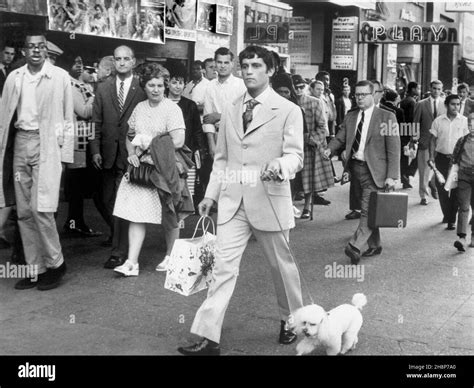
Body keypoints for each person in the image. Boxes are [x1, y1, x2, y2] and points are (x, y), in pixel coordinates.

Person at [178, 45, 304, 355]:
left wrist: (281, 166)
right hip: (233, 203)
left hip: (270, 201)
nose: (248, 71)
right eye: (244, 65)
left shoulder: (288, 109)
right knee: (221, 269)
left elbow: (295, 155)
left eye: (256, 65)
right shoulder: (232, 107)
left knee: (281, 268)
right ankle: (209, 337)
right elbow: (221, 158)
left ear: (271, 70)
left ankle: (292, 320)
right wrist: (209, 195)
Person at [0, 31, 74, 290]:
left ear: (46, 51)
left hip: (47, 144)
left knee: (42, 208)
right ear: (24, 52)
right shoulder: (14, 78)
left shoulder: (60, 77)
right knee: (23, 212)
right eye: (30, 47)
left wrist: (65, 156)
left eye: (40, 47)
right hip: (21, 142)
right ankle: (35, 268)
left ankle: (56, 263)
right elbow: (4, 116)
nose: (35, 51)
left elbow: (68, 119)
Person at [112, 63, 190, 276]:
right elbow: (129, 134)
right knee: (136, 214)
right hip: (142, 168)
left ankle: (171, 256)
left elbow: (179, 140)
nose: (156, 89)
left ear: (165, 86)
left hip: (165, 166)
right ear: (144, 86)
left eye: (159, 85)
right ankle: (132, 262)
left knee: (169, 214)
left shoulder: (172, 109)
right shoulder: (140, 108)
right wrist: (130, 153)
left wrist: (149, 143)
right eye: (150, 85)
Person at [324, 80, 400, 264]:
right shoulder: (351, 116)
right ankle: (375, 245)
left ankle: (354, 246)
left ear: (373, 95)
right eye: (356, 95)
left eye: (363, 94)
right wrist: (329, 149)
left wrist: (392, 176)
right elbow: (341, 136)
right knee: (371, 208)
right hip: (356, 168)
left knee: (366, 210)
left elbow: (394, 149)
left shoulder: (386, 117)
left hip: (376, 171)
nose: (358, 98)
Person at [90, 45, 147, 268]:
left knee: (123, 204)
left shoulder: (141, 88)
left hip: (131, 154)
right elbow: (96, 121)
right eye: (117, 59)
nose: (121, 63)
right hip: (106, 154)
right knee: (106, 200)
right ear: (113, 62)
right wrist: (94, 150)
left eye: (126, 59)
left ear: (133, 62)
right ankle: (121, 238)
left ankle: (119, 251)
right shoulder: (103, 88)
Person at [64, 59, 104, 237]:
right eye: (76, 63)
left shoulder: (84, 85)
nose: (80, 67)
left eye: (84, 65)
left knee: (80, 184)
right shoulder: (71, 85)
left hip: (85, 138)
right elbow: (84, 112)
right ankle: (74, 224)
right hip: (76, 140)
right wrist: (96, 96)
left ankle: (75, 223)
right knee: (75, 184)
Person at [167, 62, 208, 216]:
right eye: (174, 82)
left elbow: (197, 130)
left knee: (186, 187)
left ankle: (181, 218)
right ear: (168, 83)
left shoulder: (190, 105)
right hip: (167, 151)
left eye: (181, 83)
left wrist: (198, 150)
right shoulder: (162, 102)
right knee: (169, 184)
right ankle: (170, 217)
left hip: (186, 152)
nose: (177, 86)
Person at [293, 74, 333, 219]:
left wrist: (311, 140)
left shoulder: (315, 103)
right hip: (290, 145)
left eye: (301, 87)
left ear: (306, 87)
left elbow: (323, 127)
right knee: (292, 178)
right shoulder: (288, 102)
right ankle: (289, 206)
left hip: (307, 146)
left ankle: (306, 207)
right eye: (295, 87)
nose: (298, 90)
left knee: (308, 178)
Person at [429, 94, 468, 230]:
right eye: (453, 104)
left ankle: (452, 219)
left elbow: (467, 141)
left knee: (456, 189)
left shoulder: (464, 121)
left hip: (457, 161)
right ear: (446, 105)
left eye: (458, 104)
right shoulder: (438, 121)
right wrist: (431, 157)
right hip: (441, 159)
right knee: (442, 189)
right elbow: (432, 140)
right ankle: (447, 213)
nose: (455, 107)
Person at [202, 47, 246, 159]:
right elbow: (207, 119)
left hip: (236, 137)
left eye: (226, 62)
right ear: (215, 63)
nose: (222, 66)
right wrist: (211, 145)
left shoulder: (241, 85)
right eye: (219, 62)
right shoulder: (210, 86)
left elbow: (245, 115)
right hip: (217, 137)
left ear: (232, 64)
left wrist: (220, 116)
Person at [414, 80, 445, 205]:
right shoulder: (421, 104)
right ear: (430, 88)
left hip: (441, 142)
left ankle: (433, 183)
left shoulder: (445, 104)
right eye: (434, 88)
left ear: (441, 89)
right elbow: (415, 123)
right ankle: (423, 195)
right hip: (425, 141)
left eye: (439, 89)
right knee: (424, 169)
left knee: (441, 167)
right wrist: (415, 139)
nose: (436, 91)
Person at [452, 113, 474, 251]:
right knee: (464, 207)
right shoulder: (462, 141)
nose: (472, 128)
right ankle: (462, 238)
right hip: (463, 176)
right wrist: (452, 176)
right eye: (470, 125)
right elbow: (454, 159)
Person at [399, 81, 420, 189]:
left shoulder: (403, 100)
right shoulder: (412, 102)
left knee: (404, 156)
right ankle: (407, 173)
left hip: (402, 130)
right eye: (417, 88)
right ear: (413, 89)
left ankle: (405, 177)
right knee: (417, 153)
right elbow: (413, 119)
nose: (419, 90)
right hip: (409, 131)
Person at [315, 71, 336, 140]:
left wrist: (332, 132)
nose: (326, 82)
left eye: (328, 80)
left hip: (330, 130)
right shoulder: (314, 96)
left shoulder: (331, 96)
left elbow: (332, 114)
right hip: (319, 131)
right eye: (323, 80)